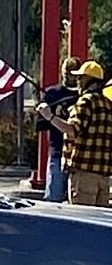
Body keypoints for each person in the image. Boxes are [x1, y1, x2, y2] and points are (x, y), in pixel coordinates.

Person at [36, 60, 112, 207]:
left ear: (90, 80)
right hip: (104, 175)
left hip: (83, 173)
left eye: (81, 77)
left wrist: (49, 116)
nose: (78, 81)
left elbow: (71, 129)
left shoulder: (84, 102)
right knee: (101, 220)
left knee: (83, 219)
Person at [36, 57, 81, 202]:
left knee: (79, 201)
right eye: (67, 73)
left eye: (73, 74)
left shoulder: (84, 97)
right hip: (58, 151)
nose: (70, 77)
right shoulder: (52, 94)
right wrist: (52, 114)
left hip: (80, 154)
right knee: (53, 198)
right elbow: (41, 125)